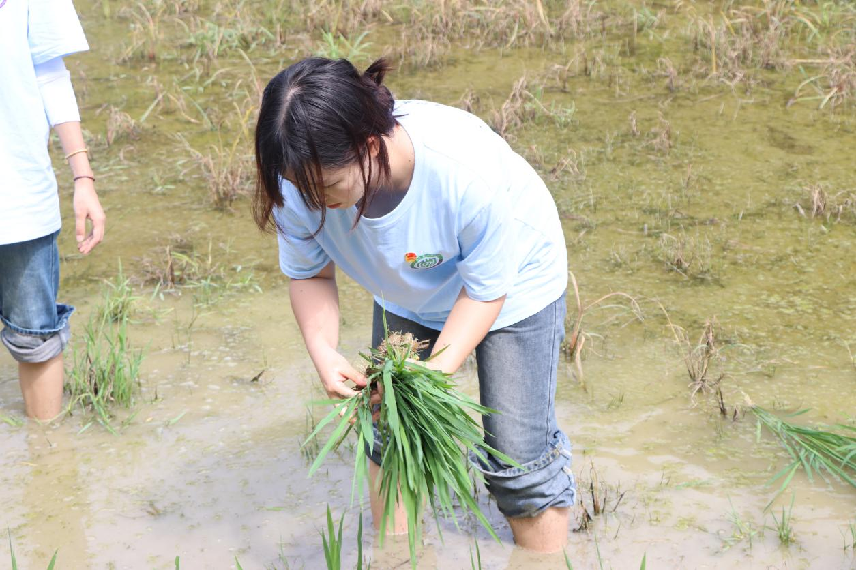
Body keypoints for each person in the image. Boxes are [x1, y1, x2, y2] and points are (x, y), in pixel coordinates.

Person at [253, 57, 574, 552]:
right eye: (303, 190)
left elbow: (487, 288)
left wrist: (435, 372)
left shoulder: (461, 169)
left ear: (369, 145)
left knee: (517, 461)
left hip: (515, 284)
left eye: (329, 188)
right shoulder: (297, 183)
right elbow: (311, 273)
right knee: (389, 434)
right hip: (407, 283)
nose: (314, 204)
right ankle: (396, 558)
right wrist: (325, 352)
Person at [0, 0, 105, 420]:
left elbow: (50, 77)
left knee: (35, 337)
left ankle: (49, 467)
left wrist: (83, 179)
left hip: (19, 200)